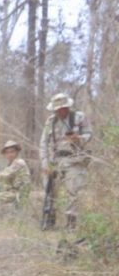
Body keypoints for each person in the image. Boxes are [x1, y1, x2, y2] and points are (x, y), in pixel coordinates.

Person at [39, 93, 91, 230]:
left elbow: (89, 135)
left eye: (63, 108)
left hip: (74, 159)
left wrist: (78, 138)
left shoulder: (79, 117)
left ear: (68, 107)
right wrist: (45, 163)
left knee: (72, 191)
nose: (60, 111)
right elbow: (43, 144)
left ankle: (71, 223)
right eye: (57, 109)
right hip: (55, 160)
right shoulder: (50, 121)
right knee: (50, 190)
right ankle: (50, 220)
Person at [0, 141, 32, 215]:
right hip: (15, 193)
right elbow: (6, 179)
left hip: (19, 194)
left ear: (17, 152)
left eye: (12, 152)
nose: (10, 155)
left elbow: (2, 176)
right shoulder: (11, 164)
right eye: (7, 152)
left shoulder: (19, 162)